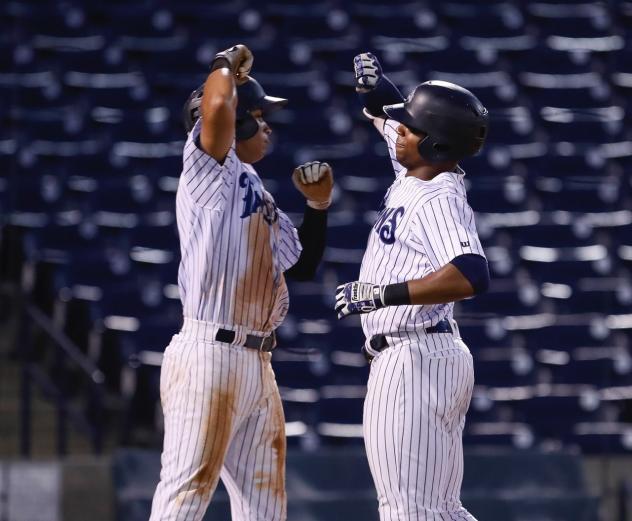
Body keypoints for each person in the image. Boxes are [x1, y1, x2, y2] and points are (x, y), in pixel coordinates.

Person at [149, 44, 334, 521]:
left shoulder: (253, 184)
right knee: (186, 496)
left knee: (265, 508)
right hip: (209, 353)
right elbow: (213, 108)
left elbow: (303, 266)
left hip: (256, 360)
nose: (268, 124)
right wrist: (222, 65)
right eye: (256, 113)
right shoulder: (207, 168)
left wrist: (317, 208)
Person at [334, 52, 490, 521]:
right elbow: (389, 111)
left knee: (408, 510)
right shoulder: (417, 168)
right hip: (426, 355)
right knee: (438, 510)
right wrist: (376, 88)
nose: (397, 130)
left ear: (436, 144)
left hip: (412, 360)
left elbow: (470, 274)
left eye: (408, 128)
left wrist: (383, 294)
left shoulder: (438, 196)